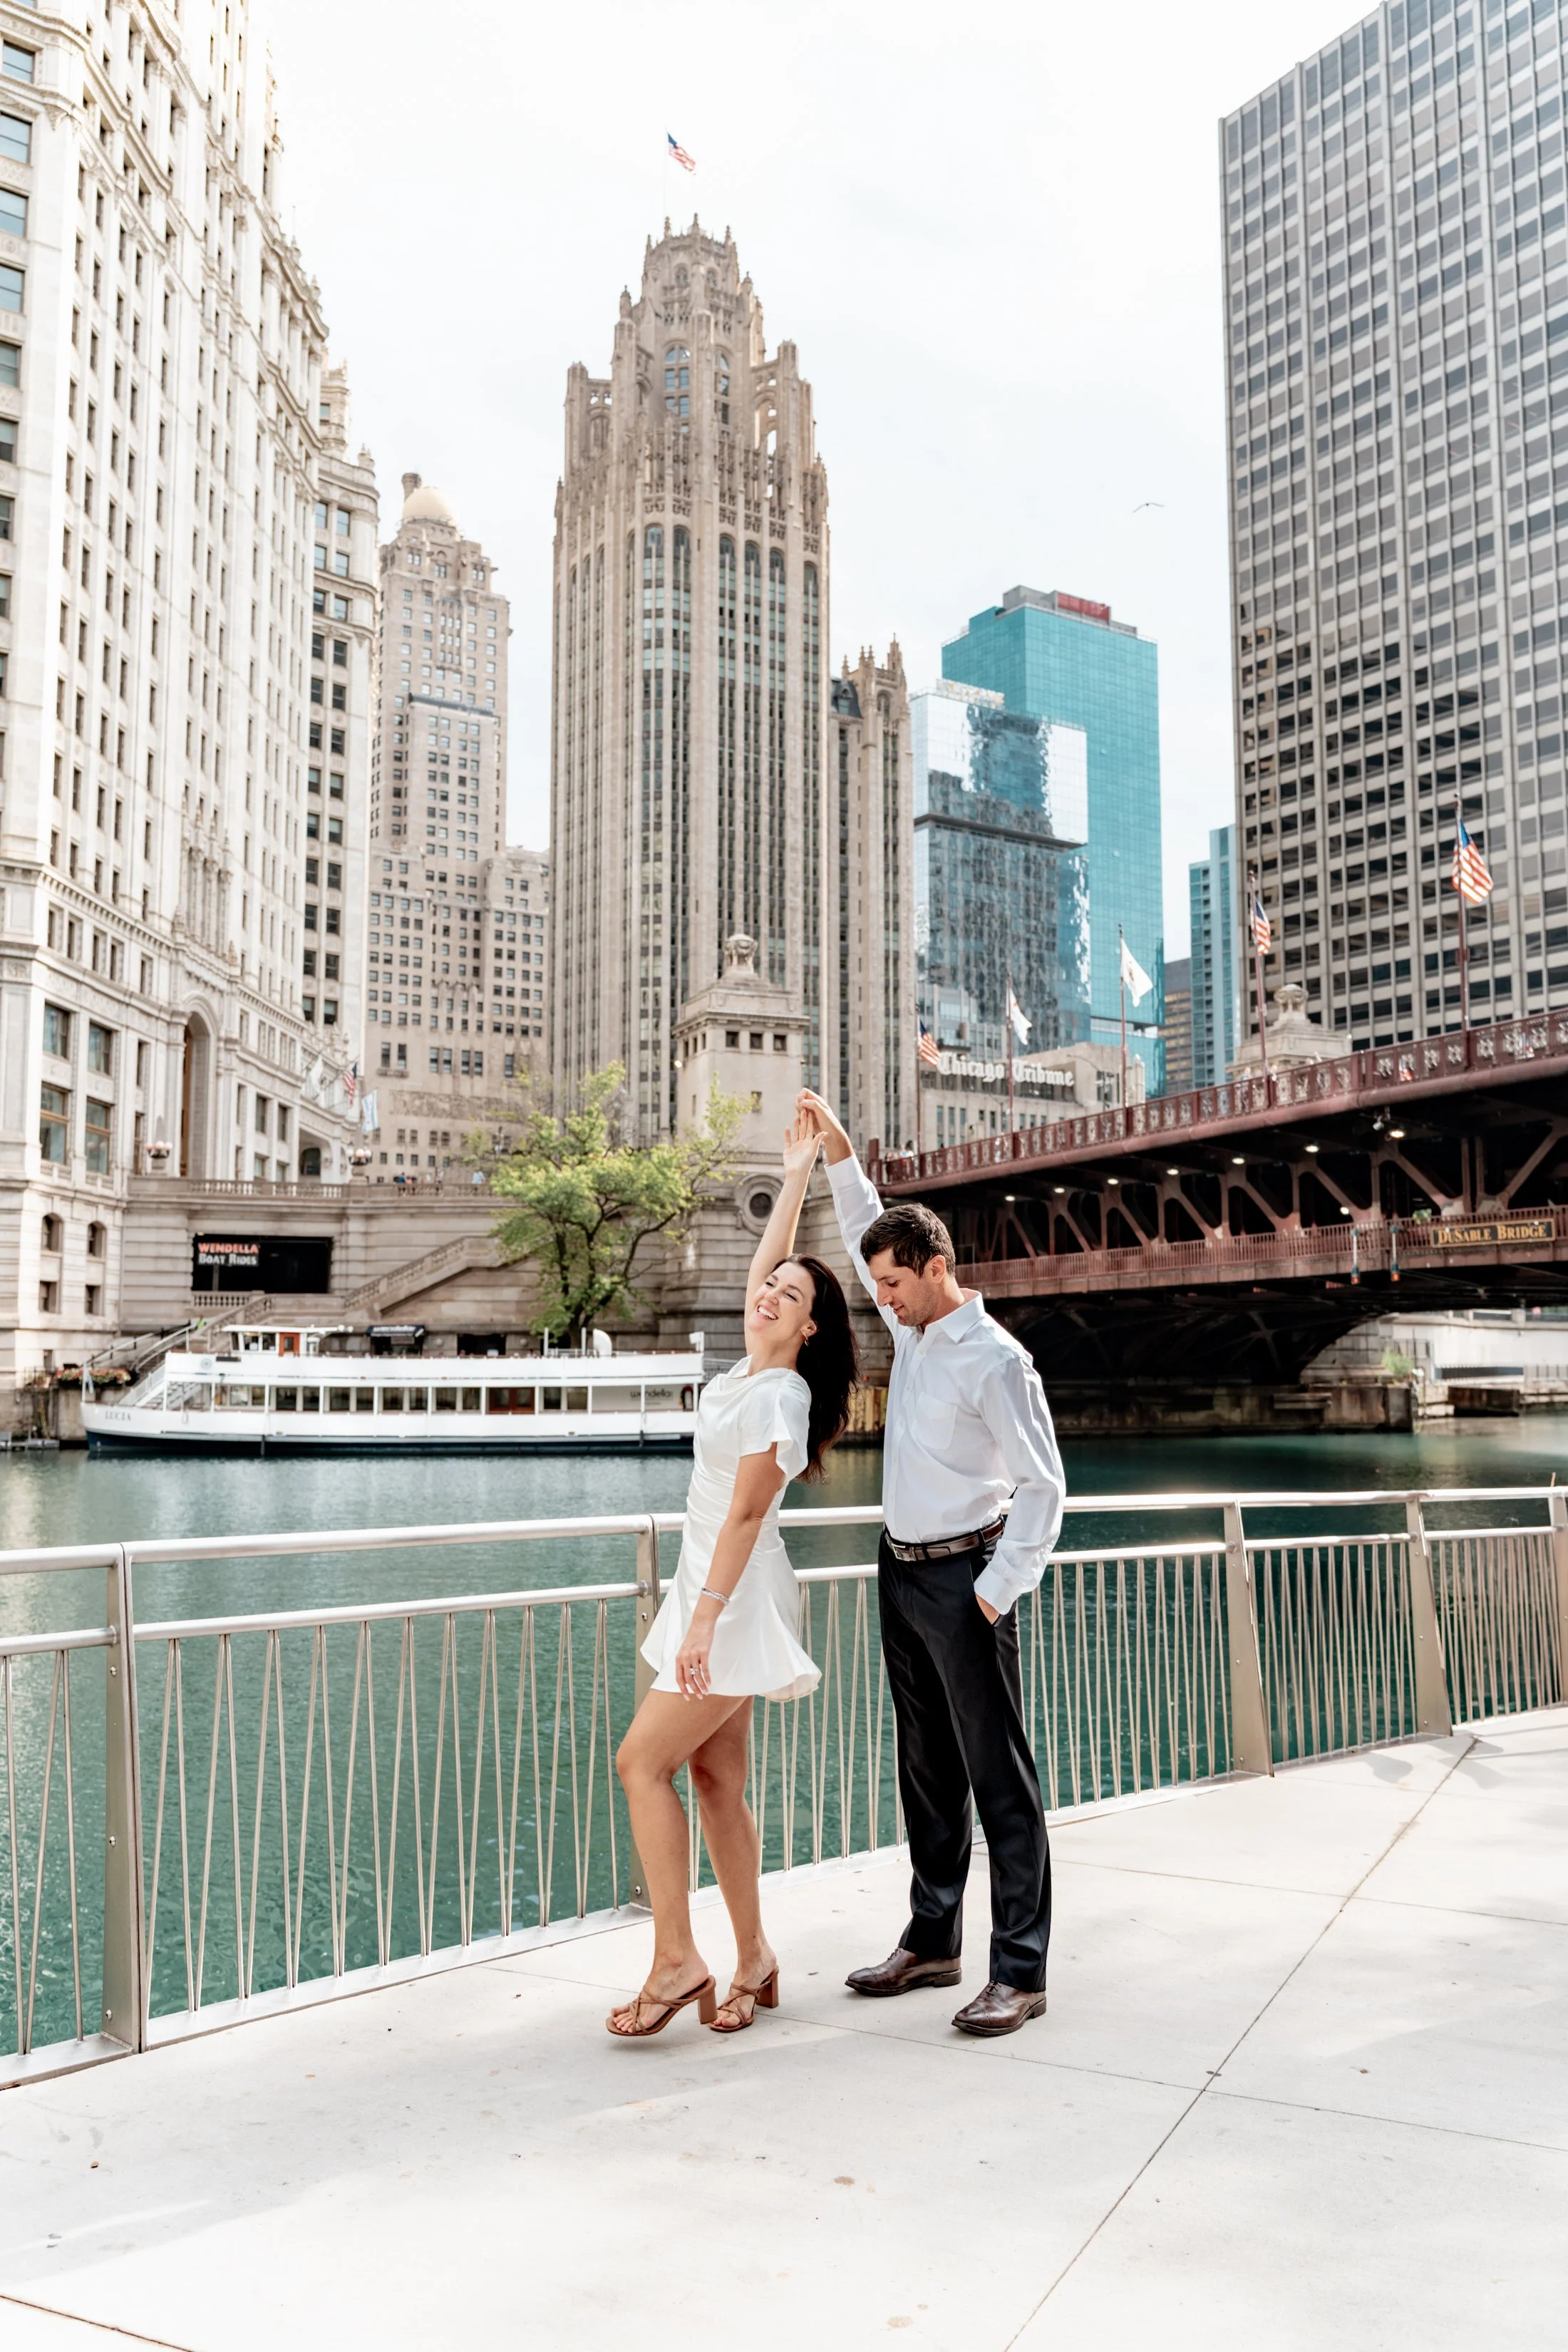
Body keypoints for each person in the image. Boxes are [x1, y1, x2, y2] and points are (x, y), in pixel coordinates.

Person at [798, 1088, 1065, 2039]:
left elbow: (1044, 1487)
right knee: (926, 1769)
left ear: (940, 1269)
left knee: (1001, 1780)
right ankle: (934, 1938)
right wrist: (836, 1149)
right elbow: (871, 1220)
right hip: (900, 1570)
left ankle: (1021, 1971)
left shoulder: (994, 1361)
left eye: (897, 1286)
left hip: (967, 1580)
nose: (884, 1302)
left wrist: (996, 1593)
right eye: (879, 1287)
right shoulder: (914, 1326)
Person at [607, 1113, 858, 2040]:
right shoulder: (746, 1374)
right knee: (714, 1781)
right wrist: (795, 1177)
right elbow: (765, 1267)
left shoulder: (783, 1397)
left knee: (641, 1763)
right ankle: (753, 1957)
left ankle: (677, 1960)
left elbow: (749, 1515)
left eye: (789, 1297)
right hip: (711, 1591)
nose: (767, 1295)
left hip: (733, 1595)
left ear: (809, 1326)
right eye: (768, 1289)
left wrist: (705, 1623)